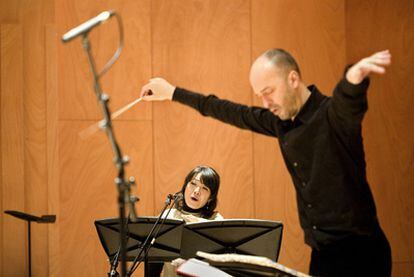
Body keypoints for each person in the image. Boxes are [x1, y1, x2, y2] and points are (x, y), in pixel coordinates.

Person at [140, 49, 392, 276]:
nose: (265, 103)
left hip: (362, 252)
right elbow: (227, 110)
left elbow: (348, 102)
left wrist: (353, 78)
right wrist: (172, 93)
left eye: (268, 92)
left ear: (293, 79)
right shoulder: (281, 123)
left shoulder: (332, 115)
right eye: (260, 95)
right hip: (323, 252)